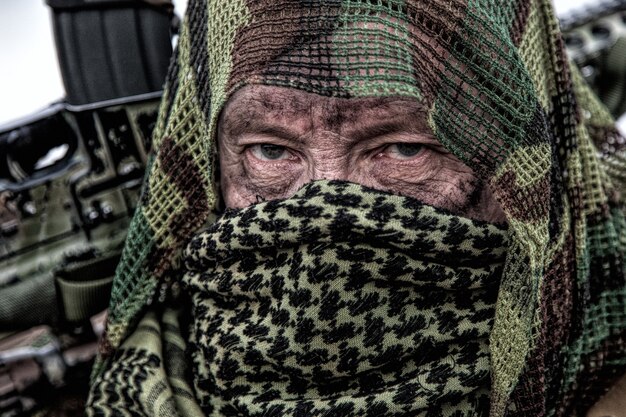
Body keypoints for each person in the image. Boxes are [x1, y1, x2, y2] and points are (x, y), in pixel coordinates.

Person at [86, 0, 626, 416]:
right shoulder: (132, 387)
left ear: (527, 174)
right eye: (270, 151)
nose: (328, 208)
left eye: (405, 149)